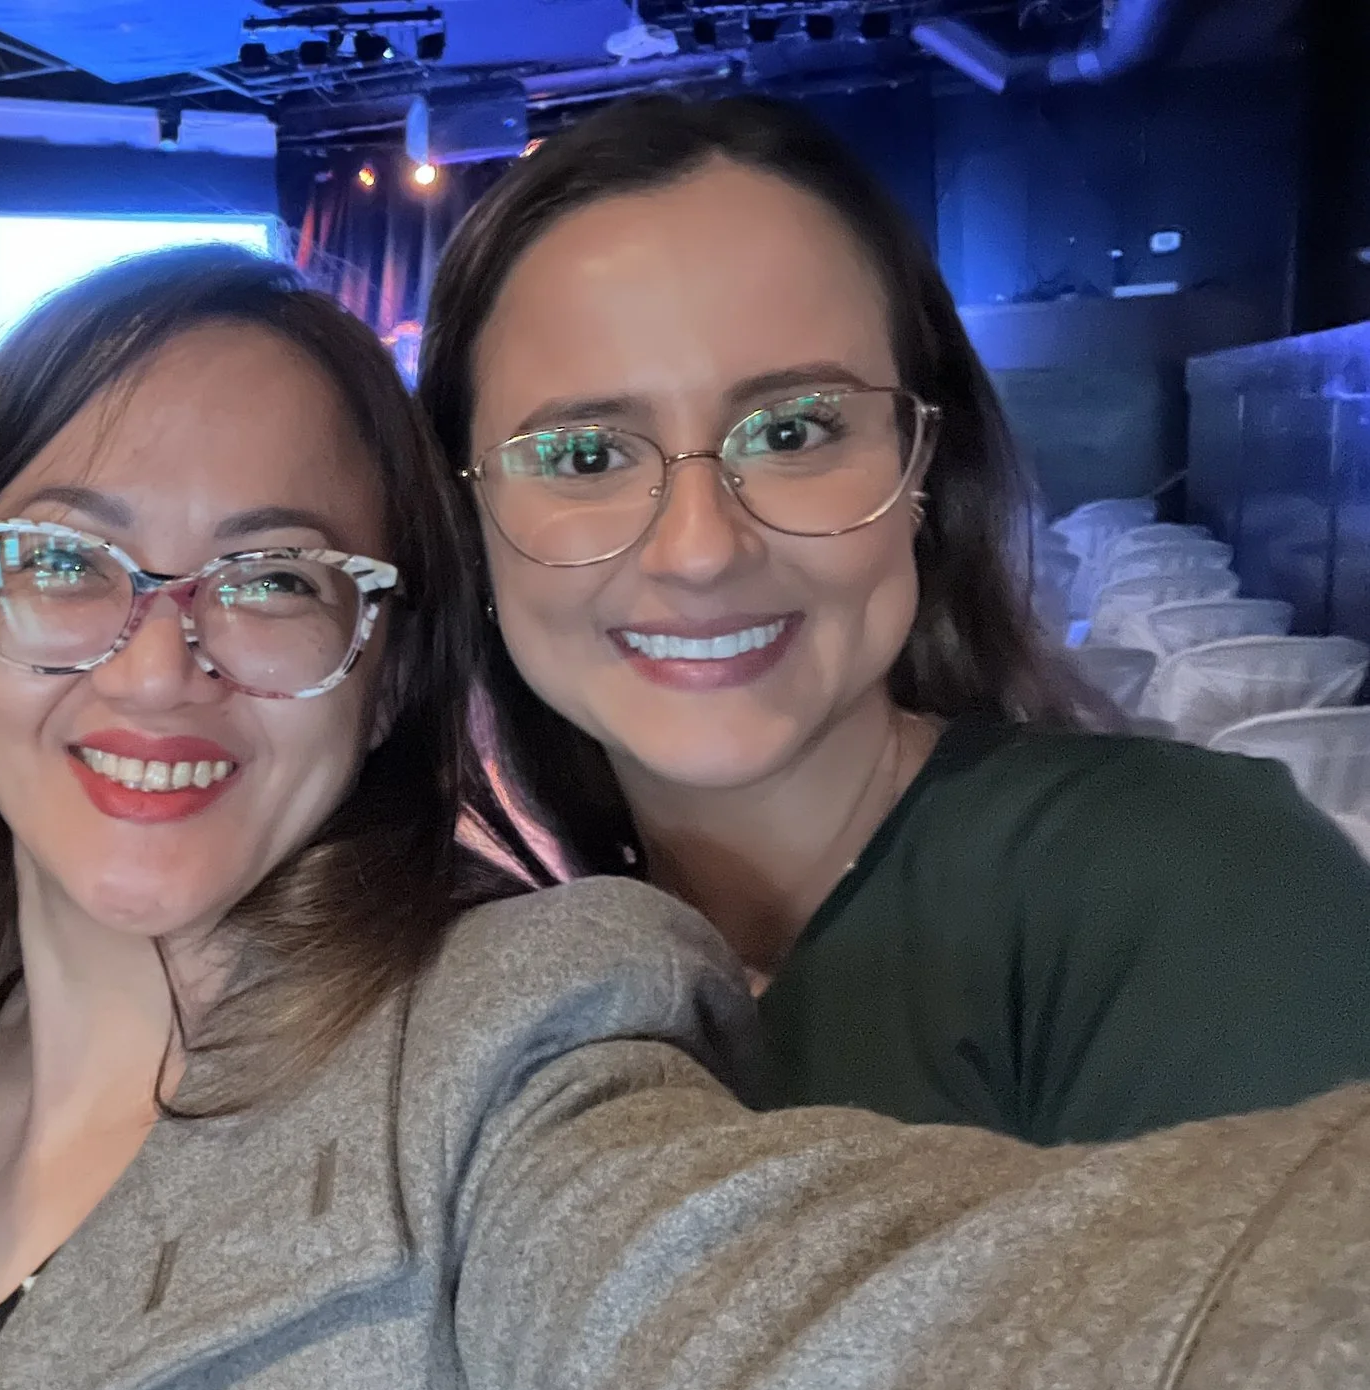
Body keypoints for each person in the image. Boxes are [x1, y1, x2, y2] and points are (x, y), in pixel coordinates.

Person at [0, 245, 1369, 1390]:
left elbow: (842, 1317)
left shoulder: (502, 1063)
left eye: (273, 578)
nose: (158, 664)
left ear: (388, 660)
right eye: (61, 558)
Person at [417, 94, 1370, 1146]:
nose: (700, 547)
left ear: (923, 463)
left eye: (791, 430)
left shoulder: (1196, 892)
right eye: (584, 455)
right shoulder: (528, 995)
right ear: (466, 520)